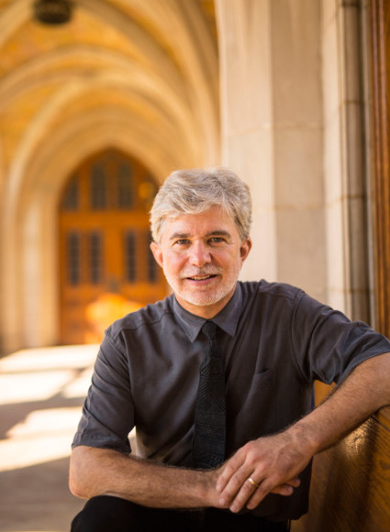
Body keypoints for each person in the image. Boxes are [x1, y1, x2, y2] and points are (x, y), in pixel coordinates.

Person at [69, 167, 390, 532]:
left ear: (244, 249)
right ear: (160, 256)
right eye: (182, 242)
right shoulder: (126, 339)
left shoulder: (288, 313)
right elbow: (86, 470)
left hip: (255, 521)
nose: (200, 258)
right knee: (98, 520)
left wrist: (298, 440)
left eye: (216, 239)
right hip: (163, 514)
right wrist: (211, 487)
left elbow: (383, 365)